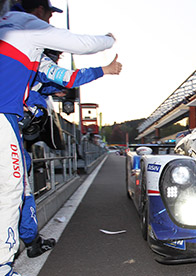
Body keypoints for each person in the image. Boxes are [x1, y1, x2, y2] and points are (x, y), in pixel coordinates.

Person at [0, 0, 116, 273]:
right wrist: (108, 43)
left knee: (18, 185)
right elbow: (76, 57)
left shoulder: (13, 38)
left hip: (10, 120)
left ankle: (30, 241)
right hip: (3, 117)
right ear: (37, 10)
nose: (50, 20)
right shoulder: (26, 26)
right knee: (12, 190)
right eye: (49, 14)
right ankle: (3, 266)